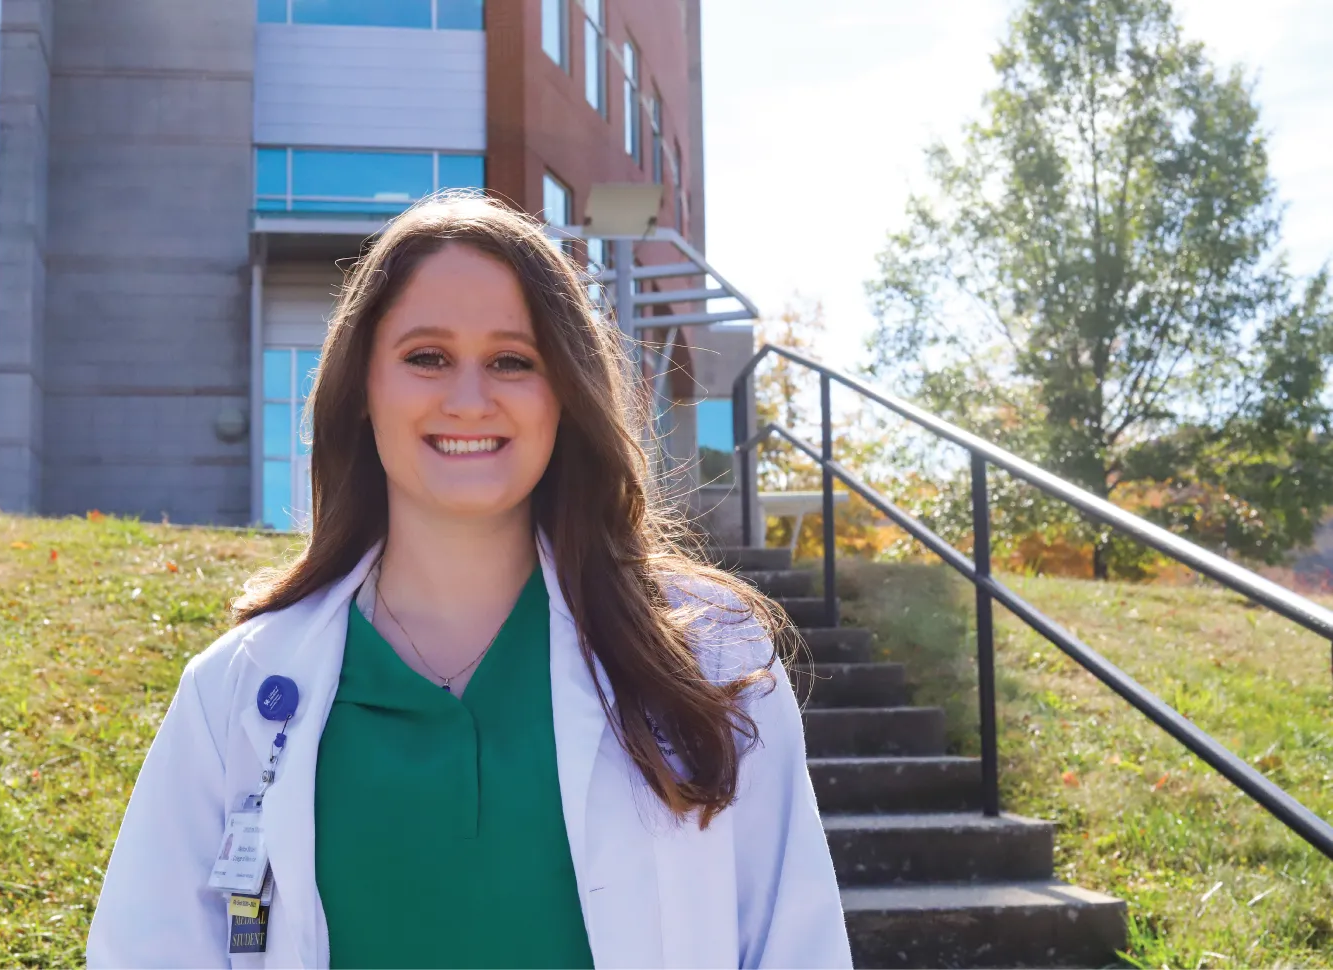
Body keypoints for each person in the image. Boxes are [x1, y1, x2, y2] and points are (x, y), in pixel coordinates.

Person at [86, 194, 851, 968]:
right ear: (362, 392)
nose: (468, 400)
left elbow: (796, 945)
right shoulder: (239, 689)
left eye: (512, 361)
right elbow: (146, 949)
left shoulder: (706, 655)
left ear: (562, 396)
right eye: (427, 357)